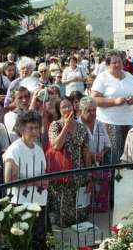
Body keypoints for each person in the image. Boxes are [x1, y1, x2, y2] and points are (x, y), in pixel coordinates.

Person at [2, 110, 48, 249]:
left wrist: (45, 181)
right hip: (20, 204)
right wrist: (36, 182)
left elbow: (43, 173)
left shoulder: (39, 149)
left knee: (38, 242)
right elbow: (9, 180)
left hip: (39, 202)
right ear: (22, 129)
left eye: (37, 128)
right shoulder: (14, 150)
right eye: (30, 128)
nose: (34, 131)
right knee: (23, 244)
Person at [91, 51, 133, 163]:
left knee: (126, 156)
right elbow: (94, 99)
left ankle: (125, 179)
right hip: (108, 123)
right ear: (108, 65)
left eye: (119, 62)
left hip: (128, 122)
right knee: (112, 157)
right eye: (114, 63)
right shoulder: (102, 77)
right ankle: (111, 180)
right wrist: (114, 101)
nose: (118, 65)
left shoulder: (129, 76)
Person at [48, 97, 90, 227]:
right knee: (63, 215)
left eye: (69, 106)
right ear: (58, 110)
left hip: (79, 172)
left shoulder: (82, 128)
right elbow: (56, 146)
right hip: (62, 173)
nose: (67, 109)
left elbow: (86, 152)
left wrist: (88, 174)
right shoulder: (55, 125)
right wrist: (66, 126)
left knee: (80, 213)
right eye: (63, 107)